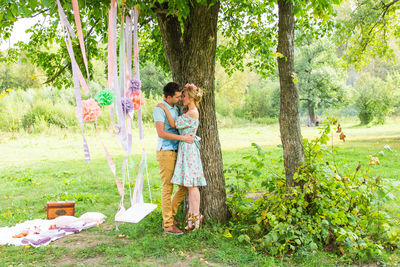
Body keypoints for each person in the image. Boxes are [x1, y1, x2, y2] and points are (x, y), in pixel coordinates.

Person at [157, 83, 206, 231]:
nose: (181, 99)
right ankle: (190, 219)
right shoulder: (187, 110)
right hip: (184, 148)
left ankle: (195, 218)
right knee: (188, 185)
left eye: (183, 96)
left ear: (190, 97)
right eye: (180, 96)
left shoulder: (192, 112)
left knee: (191, 185)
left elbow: (174, 123)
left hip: (188, 150)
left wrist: (164, 108)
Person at [153, 82, 195, 235]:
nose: (179, 99)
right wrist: (183, 138)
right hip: (166, 152)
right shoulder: (159, 109)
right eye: (177, 97)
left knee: (184, 186)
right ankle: (168, 224)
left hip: (178, 151)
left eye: (180, 96)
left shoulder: (176, 108)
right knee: (167, 188)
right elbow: (161, 133)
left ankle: (169, 216)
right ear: (168, 97)